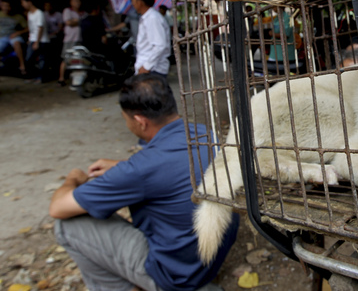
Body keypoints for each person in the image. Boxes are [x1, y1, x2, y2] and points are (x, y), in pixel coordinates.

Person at [49, 73, 239, 291]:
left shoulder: (140, 169)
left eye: (126, 118)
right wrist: (120, 166)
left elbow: (58, 208)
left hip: (177, 275)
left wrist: (73, 177)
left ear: (140, 121)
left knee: (67, 225)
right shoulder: (204, 133)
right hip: (208, 259)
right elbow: (168, 168)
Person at [133, 0, 170, 75]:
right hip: (149, 68)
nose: (132, 3)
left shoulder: (152, 18)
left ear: (139, 2)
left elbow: (160, 45)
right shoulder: (148, 17)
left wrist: (146, 66)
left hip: (153, 69)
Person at [21, 0, 50, 82]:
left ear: (29, 2)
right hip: (33, 39)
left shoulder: (39, 13)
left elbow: (40, 27)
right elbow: (31, 28)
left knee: (42, 59)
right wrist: (30, 39)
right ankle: (31, 76)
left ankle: (41, 78)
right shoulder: (29, 13)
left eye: (23, 2)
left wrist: (37, 42)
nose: (23, 4)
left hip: (42, 40)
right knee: (29, 58)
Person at [58, 0, 82, 86]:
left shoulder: (80, 13)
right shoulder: (67, 11)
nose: (77, 3)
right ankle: (61, 78)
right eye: (75, 1)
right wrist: (77, 21)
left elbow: (74, 22)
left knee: (77, 59)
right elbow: (68, 22)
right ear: (71, 2)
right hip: (69, 39)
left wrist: (75, 20)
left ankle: (75, 79)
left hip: (78, 39)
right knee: (66, 58)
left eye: (79, 1)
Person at [0, 0, 27, 75]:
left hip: (13, 35)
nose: (6, 8)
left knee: (17, 42)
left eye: (7, 6)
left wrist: (19, 32)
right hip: (2, 37)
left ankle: (22, 65)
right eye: (4, 6)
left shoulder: (18, 16)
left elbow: (28, 28)